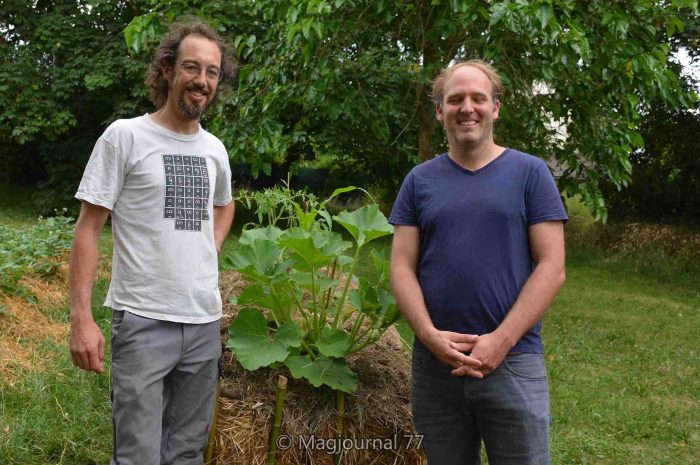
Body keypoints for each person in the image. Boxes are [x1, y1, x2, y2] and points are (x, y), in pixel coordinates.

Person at [69, 18, 236, 465]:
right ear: (166, 70)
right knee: (137, 456)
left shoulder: (215, 150)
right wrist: (81, 318)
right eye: (191, 67)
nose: (202, 80)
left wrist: (211, 246)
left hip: (203, 321)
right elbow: (88, 228)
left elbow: (225, 204)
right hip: (142, 319)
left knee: (186, 453)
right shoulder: (126, 137)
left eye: (212, 72)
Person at [389, 59, 568, 465]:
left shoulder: (530, 174)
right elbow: (401, 267)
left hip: (514, 361)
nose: (467, 107)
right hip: (436, 369)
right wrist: (430, 336)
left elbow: (552, 266)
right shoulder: (419, 181)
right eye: (455, 100)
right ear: (440, 111)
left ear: (496, 107)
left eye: (478, 98)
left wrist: (500, 341)